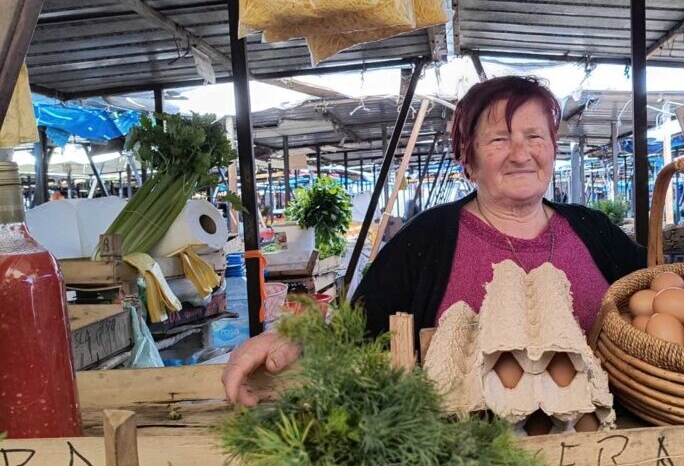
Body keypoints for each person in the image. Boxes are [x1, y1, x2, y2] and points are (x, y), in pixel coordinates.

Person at [222, 76, 645, 406]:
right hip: (468, 463)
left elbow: (656, 299)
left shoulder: (594, 231)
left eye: (535, 136)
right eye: (499, 139)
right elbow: (355, 331)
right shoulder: (426, 240)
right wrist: (297, 338)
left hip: (605, 451)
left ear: (553, 148)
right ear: (468, 158)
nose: (521, 153)